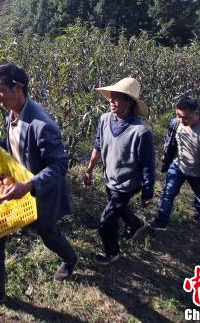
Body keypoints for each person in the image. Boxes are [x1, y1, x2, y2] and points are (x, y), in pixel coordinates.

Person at [0, 64, 77, 303]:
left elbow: (59, 165)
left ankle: (69, 259)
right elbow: (18, 145)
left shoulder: (42, 124)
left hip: (39, 193)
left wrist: (28, 186)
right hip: (16, 187)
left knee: (49, 235)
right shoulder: (14, 113)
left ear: (18, 88)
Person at [83, 77, 155, 265]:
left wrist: (148, 192)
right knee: (118, 208)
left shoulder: (140, 132)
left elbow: (147, 165)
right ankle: (135, 223)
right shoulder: (105, 119)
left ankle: (111, 252)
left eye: (116, 98)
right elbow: (98, 145)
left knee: (106, 221)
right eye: (111, 97)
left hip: (128, 183)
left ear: (129, 102)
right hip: (110, 178)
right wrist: (89, 169)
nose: (111, 101)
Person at [148, 97, 200, 231]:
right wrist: (166, 154)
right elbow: (171, 140)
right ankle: (161, 222)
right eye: (178, 115)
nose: (181, 120)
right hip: (178, 165)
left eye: (185, 117)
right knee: (168, 192)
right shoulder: (175, 122)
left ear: (197, 113)